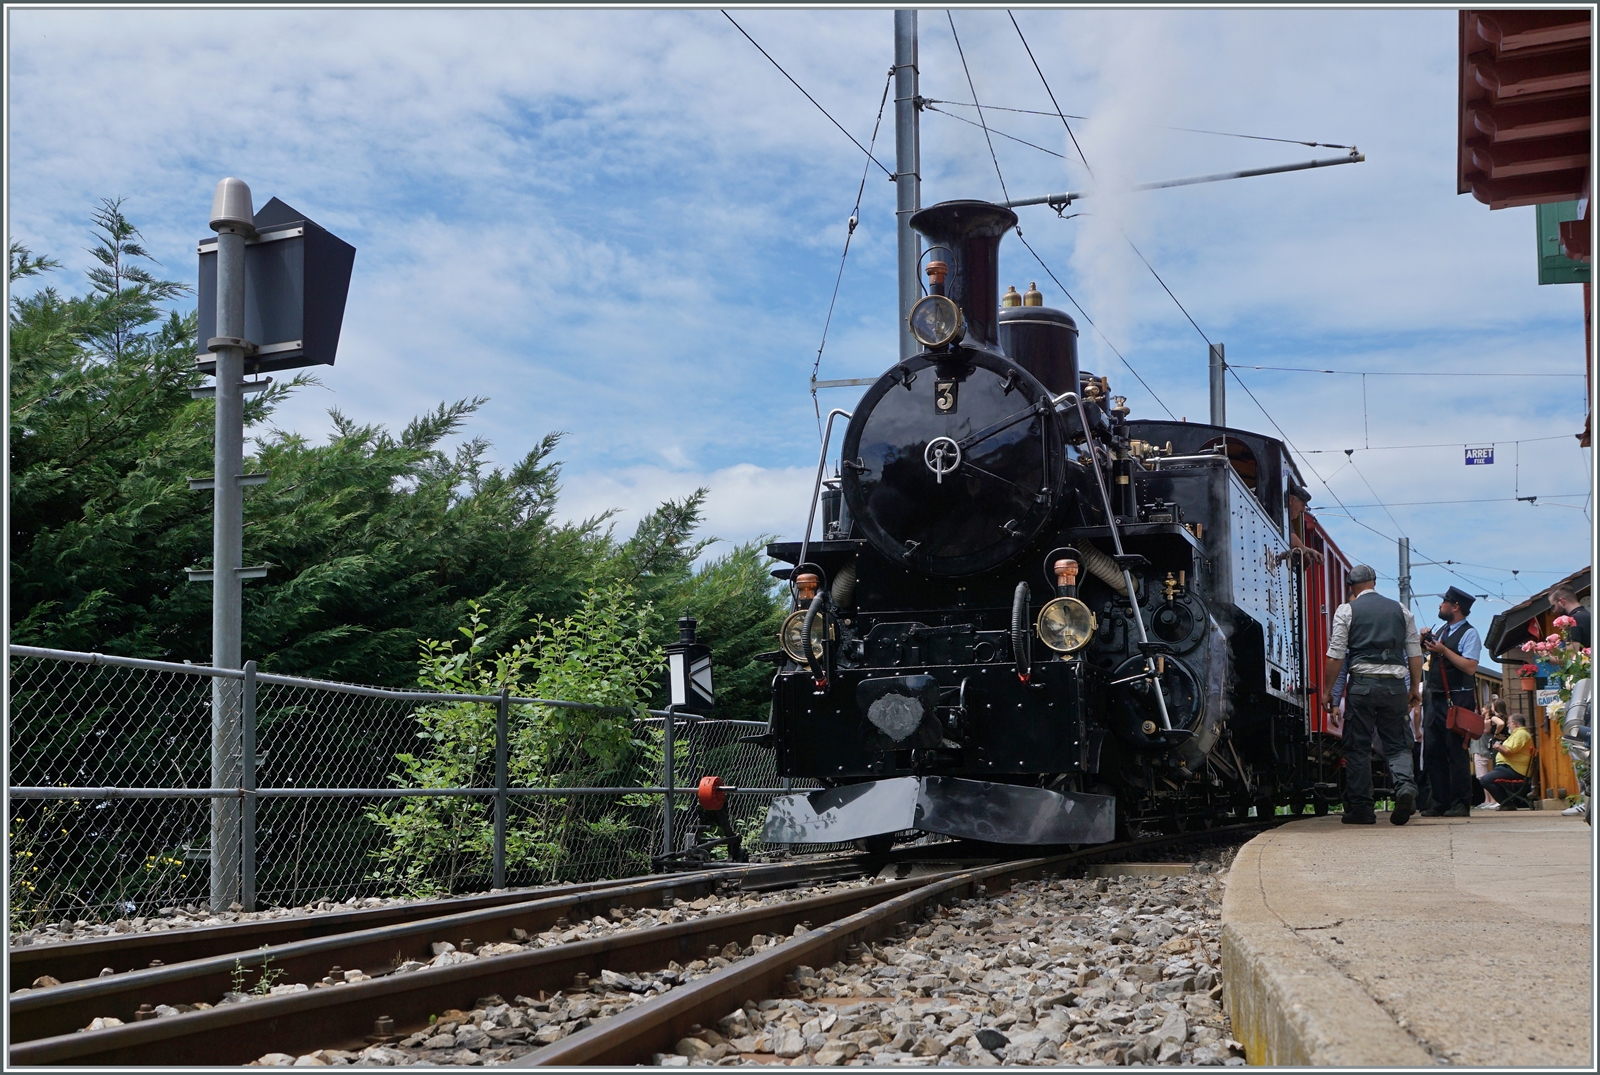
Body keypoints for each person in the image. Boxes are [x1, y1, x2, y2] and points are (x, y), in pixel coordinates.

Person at [1322, 564, 1423, 825]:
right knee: (1398, 744)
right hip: (1394, 687)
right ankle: (1405, 788)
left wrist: (1327, 692)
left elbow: (1335, 655)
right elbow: (1414, 653)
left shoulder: (1346, 610)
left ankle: (1362, 810)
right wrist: (1413, 688)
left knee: (1357, 748)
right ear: (1374, 582)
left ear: (1351, 587)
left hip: (1362, 687)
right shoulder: (1401, 610)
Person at [1420, 586, 1482, 818]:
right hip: (1435, 697)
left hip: (1458, 697)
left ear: (1455, 606)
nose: (1440, 605)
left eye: (1444, 602)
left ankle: (1460, 803)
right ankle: (1439, 802)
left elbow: (1470, 666)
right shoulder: (1443, 630)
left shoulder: (1469, 633)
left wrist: (1443, 649)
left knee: (1456, 751)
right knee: (1434, 751)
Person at [1475, 715, 1534, 807]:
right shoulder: (1516, 734)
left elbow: (1508, 751)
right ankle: (1506, 803)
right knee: (1487, 779)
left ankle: (1507, 804)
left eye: (1509, 723)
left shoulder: (1520, 734)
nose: (1507, 726)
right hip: (1510, 767)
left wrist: (1497, 746)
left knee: (1485, 780)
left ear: (1515, 724)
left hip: (1514, 769)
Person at [1470, 699, 1508, 809]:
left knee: (1483, 777)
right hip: (1486, 749)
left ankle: (1493, 800)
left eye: (1484, 707)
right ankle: (1488, 800)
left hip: (1483, 750)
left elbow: (1485, 731)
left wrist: (1495, 734)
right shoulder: (1493, 719)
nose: (1482, 709)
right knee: (1483, 777)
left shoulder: (1490, 720)